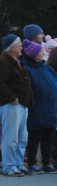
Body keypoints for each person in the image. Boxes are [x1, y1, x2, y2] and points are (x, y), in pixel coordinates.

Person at [0, 35, 32, 177]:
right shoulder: (2, 62)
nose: (22, 47)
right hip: (11, 105)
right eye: (20, 44)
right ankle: (9, 166)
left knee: (22, 137)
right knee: (11, 137)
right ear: (13, 48)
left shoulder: (17, 62)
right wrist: (12, 98)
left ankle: (19, 164)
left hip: (21, 105)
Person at [22, 39, 57, 173]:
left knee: (48, 137)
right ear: (33, 54)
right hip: (37, 108)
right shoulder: (28, 69)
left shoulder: (46, 68)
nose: (43, 53)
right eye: (40, 51)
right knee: (34, 138)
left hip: (50, 108)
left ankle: (47, 163)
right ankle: (31, 162)